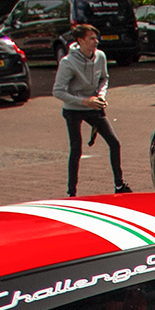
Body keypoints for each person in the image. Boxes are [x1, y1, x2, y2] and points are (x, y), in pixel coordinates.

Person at [54, 23, 129, 197]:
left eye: (96, 38)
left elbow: (104, 78)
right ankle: (71, 192)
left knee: (114, 142)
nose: (96, 42)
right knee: (76, 149)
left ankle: (119, 184)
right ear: (80, 41)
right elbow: (58, 91)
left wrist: (101, 95)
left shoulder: (100, 56)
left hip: (94, 105)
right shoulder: (68, 62)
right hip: (74, 108)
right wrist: (84, 101)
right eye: (91, 39)